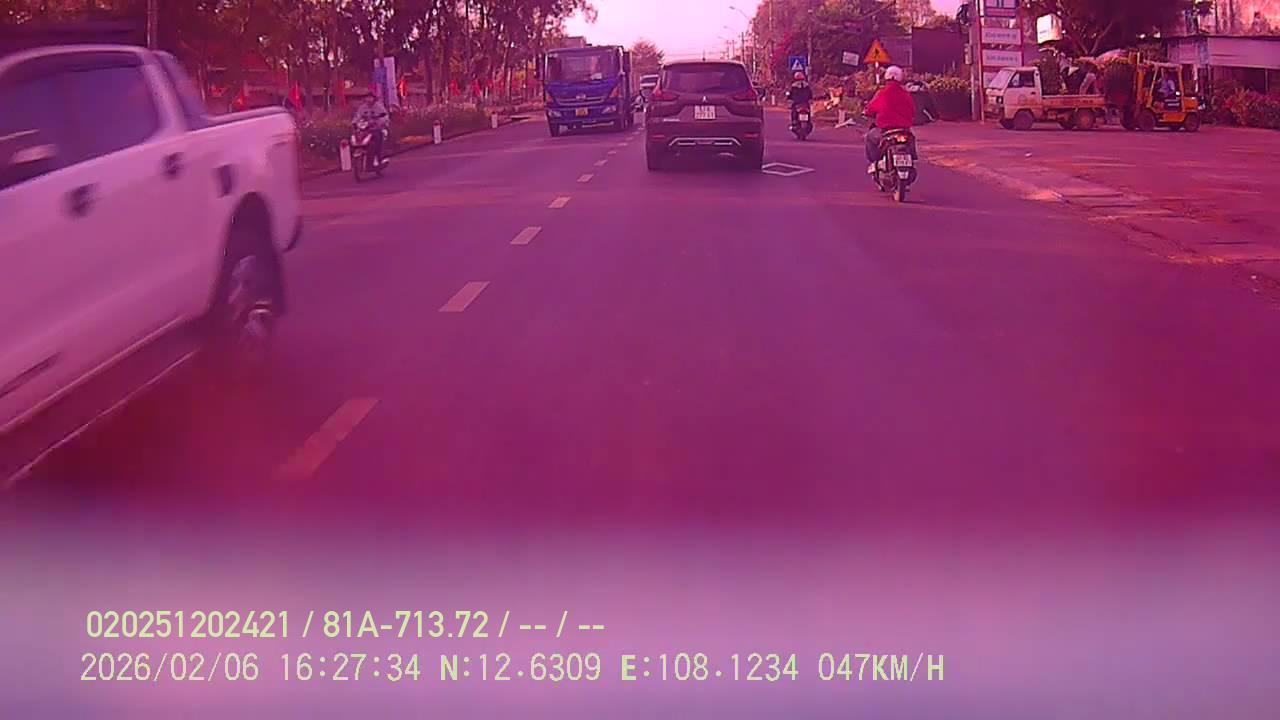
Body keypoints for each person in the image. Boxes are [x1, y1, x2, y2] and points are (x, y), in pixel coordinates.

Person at [863, 65, 916, 174]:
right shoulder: (906, 94)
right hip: (904, 130)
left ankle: (875, 163)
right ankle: (911, 160)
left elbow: (870, 109)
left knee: (870, 137)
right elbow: (912, 111)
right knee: (911, 139)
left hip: (885, 131)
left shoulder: (882, 93)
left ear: (886, 77)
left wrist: (867, 112)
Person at [353, 93, 390, 165]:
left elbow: (385, 116)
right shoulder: (362, 107)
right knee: (356, 137)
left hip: (376, 128)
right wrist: (354, 122)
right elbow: (357, 116)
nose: (368, 99)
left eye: (370, 97)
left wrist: (379, 122)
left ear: (374, 98)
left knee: (378, 138)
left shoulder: (379, 107)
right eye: (367, 97)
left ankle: (379, 157)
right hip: (365, 129)